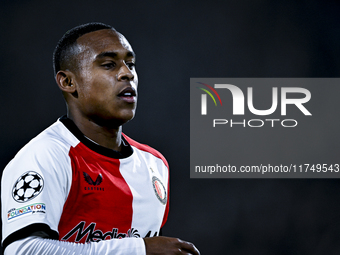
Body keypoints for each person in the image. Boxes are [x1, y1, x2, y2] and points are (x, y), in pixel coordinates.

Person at [1, 22, 200, 255]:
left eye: (131, 64)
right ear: (68, 82)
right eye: (108, 64)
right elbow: (22, 250)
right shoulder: (46, 155)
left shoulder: (154, 165)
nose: (127, 73)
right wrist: (138, 249)